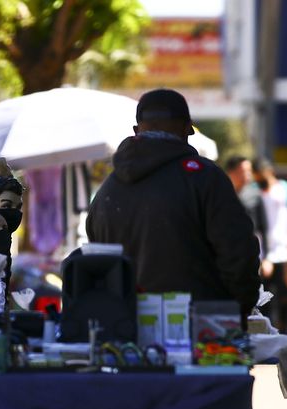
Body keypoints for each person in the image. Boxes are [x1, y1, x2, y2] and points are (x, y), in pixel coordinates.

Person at [86, 88, 260, 314]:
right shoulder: (204, 178)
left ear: (137, 130)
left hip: (126, 331)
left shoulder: (108, 190)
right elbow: (238, 252)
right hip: (199, 329)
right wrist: (238, 311)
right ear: (188, 128)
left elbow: (96, 261)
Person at [256, 170, 287, 331]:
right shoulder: (255, 192)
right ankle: (268, 330)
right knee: (266, 299)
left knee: (284, 295)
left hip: (282, 251)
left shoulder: (283, 188)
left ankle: (284, 329)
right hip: (264, 253)